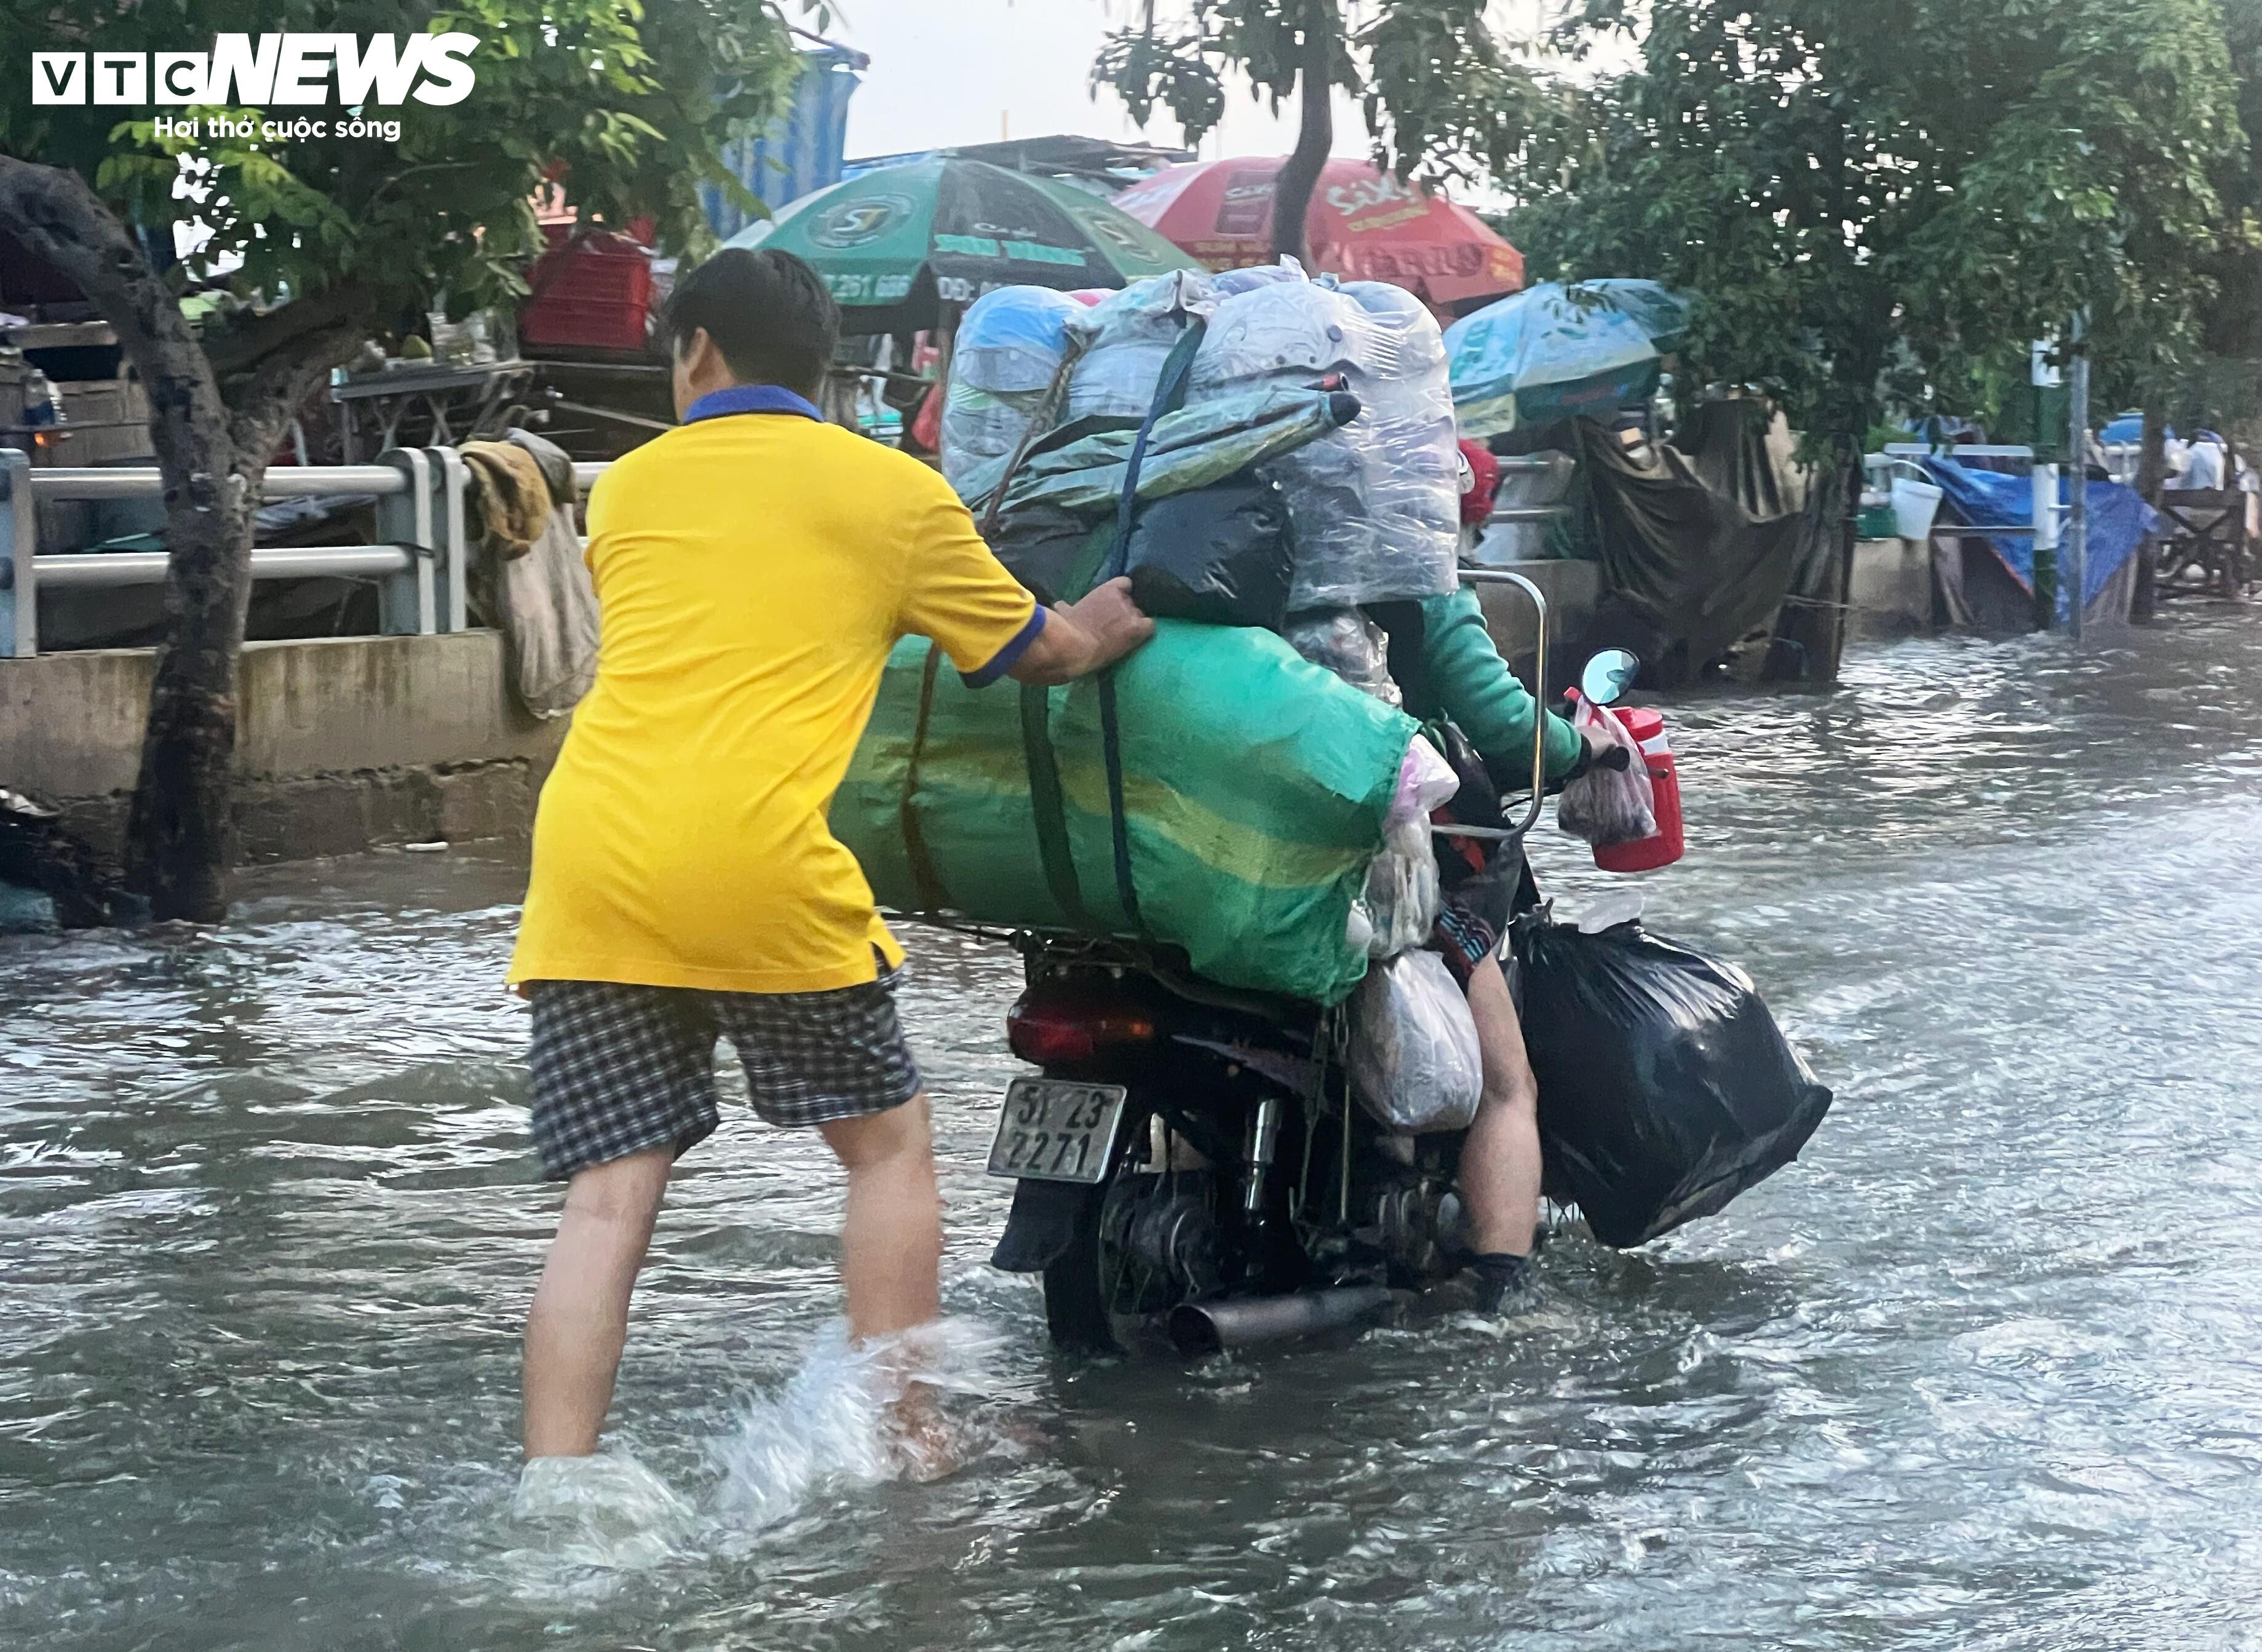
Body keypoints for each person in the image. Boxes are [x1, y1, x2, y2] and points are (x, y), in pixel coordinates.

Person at [508, 247, 1153, 1464]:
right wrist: (1106, 622)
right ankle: (906, 1438)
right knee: (887, 1146)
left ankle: (558, 1486)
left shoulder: (628, 489)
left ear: (695, 350)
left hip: (591, 852)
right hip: (754, 855)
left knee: (604, 1199)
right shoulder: (894, 495)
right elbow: (1043, 650)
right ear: (826, 367)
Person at [1368, 588, 1600, 1311]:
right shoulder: (1423, 591)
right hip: (1379, 862)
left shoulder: (1176, 592)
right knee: (1506, 1085)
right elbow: (1503, 720)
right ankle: (1500, 1288)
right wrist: (1584, 744)